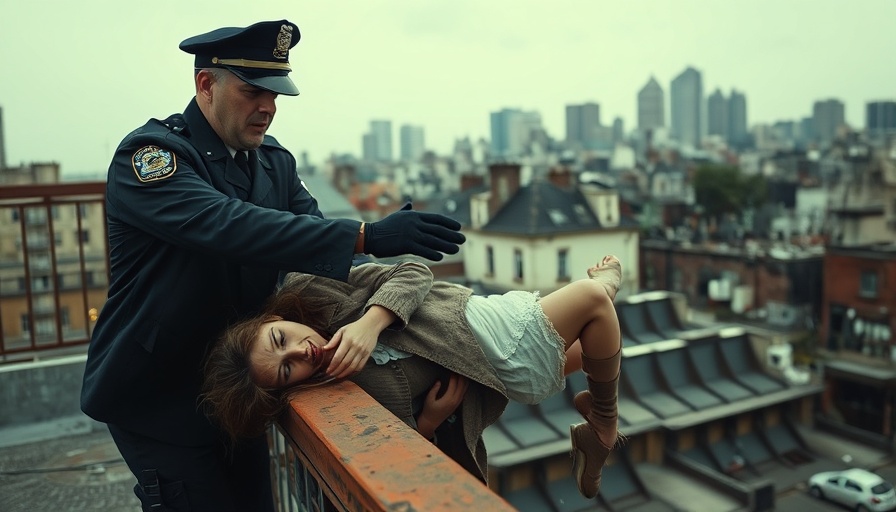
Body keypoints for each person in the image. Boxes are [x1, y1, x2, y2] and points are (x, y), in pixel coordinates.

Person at [79, 20, 465, 512]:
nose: (268, 107)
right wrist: (366, 234)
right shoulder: (153, 157)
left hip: (247, 383)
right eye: (252, 92)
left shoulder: (272, 162)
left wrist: (385, 311)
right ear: (205, 86)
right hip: (162, 396)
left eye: (276, 94)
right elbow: (229, 225)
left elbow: (316, 260)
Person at [202, 255, 626, 498]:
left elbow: (414, 270)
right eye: (287, 368)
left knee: (597, 331)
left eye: (281, 338)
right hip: (497, 346)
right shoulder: (342, 388)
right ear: (285, 389)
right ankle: (603, 426)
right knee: (591, 300)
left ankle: (605, 302)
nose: (299, 350)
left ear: (275, 317)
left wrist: (371, 322)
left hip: (481, 323)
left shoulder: (311, 289)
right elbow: (393, 446)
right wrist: (429, 423)